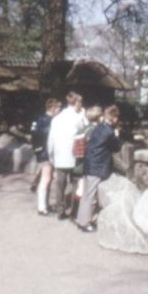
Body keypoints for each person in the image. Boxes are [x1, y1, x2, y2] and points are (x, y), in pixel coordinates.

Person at [75, 105, 123, 233]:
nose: (117, 120)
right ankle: (85, 223)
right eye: (117, 117)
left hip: (89, 164)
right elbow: (116, 147)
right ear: (113, 118)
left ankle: (82, 220)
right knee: (90, 196)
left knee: (87, 194)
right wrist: (117, 136)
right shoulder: (108, 131)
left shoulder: (98, 127)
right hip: (97, 166)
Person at [47, 91, 87, 220]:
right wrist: (84, 115)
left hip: (60, 156)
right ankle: (74, 211)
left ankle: (60, 210)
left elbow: (51, 140)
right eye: (80, 102)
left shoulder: (56, 118)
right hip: (77, 156)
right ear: (77, 103)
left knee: (60, 184)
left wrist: (51, 156)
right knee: (76, 182)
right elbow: (87, 132)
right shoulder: (79, 117)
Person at [30, 98, 62, 215]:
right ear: (53, 109)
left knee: (48, 179)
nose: (60, 110)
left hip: (45, 151)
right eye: (59, 108)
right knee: (46, 179)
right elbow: (39, 136)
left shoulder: (40, 119)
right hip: (45, 152)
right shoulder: (48, 121)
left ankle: (45, 205)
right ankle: (41, 207)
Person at [71, 105, 103, 217]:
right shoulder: (96, 131)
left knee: (80, 188)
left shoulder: (82, 129)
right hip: (89, 163)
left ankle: (74, 212)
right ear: (99, 117)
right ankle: (83, 215)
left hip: (78, 161)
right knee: (88, 191)